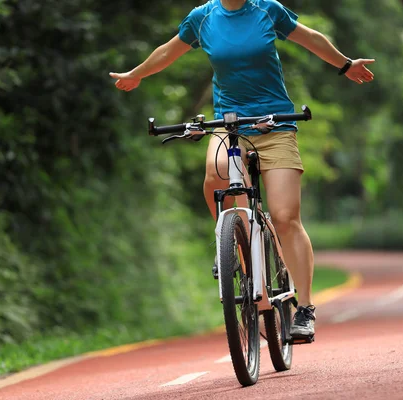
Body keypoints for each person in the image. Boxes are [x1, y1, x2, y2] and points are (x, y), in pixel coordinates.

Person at [110, 0, 375, 341]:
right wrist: (137, 74)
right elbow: (168, 50)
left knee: (284, 216)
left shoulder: (268, 10)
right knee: (216, 174)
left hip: (275, 124)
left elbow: (310, 38)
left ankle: (305, 309)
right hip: (230, 125)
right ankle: (237, 245)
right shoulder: (202, 18)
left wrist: (346, 65)